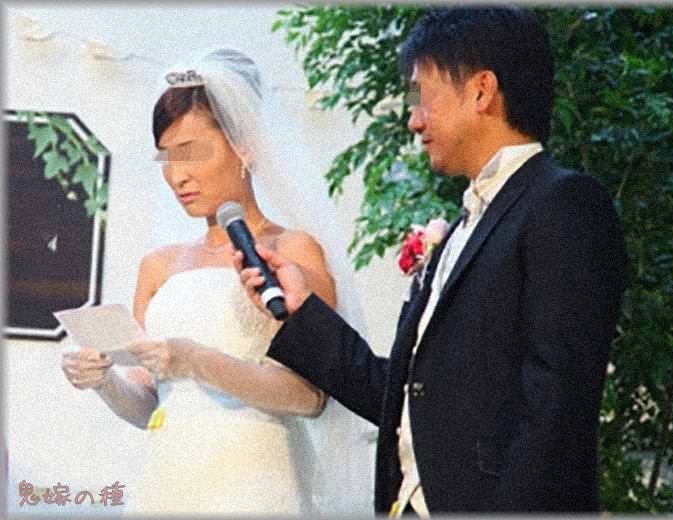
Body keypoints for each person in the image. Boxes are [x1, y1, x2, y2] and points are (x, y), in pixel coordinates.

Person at [236, 6, 627, 516]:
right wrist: (299, 310)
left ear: (482, 91)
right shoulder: (462, 228)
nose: (413, 119)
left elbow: (556, 408)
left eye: (424, 96)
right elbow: (404, 397)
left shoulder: (563, 204)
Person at [60, 47, 374, 515]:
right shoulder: (158, 266)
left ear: (243, 146)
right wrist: (103, 380)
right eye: (167, 157)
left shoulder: (292, 251)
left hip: (257, 482)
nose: (177, 175)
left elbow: (310, 397)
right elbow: (150, 405)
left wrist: (197, 361)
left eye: (190, 152)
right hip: (169, 482)